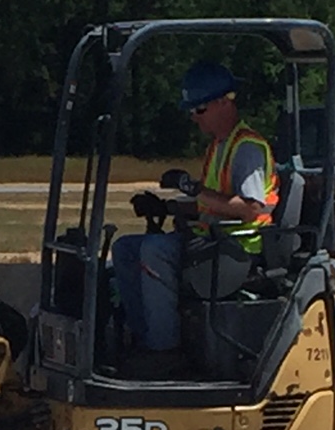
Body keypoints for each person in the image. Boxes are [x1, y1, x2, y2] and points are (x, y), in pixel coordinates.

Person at [111, 61, 280, 357]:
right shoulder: (218, 145)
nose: (194, 118)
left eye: (199, 110)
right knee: (125, 248)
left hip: (235, 249)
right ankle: (142, 339)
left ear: (223, 102)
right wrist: (167, 205)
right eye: (190, 111)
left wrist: (194, 188)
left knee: (155, 250)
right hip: (211, 240)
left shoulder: (247, 148)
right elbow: (213, 202)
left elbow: (250, 209)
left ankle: (164, 352)